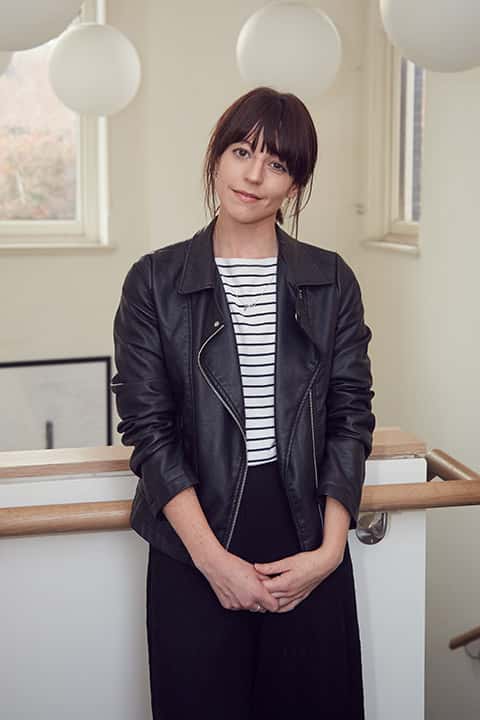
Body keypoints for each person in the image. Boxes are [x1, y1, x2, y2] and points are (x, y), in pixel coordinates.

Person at [111, 86, 376, 720]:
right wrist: (213, 562)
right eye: (240, 151)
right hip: (192, 541)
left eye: (278, 163)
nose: (254, 175)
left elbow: (350, 416)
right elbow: (149, 431)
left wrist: (329, 552)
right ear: (216, 158)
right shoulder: (154, 280)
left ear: (295, 184)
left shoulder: (331, 278)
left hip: (306, 536)